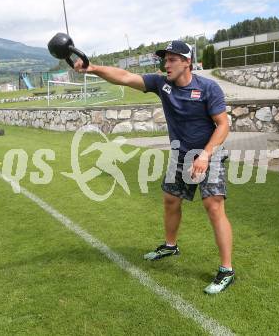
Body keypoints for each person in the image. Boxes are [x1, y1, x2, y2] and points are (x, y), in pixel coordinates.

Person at [74, 40, 234, 294]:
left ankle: (226, 270)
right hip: (180, 154)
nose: (165, 64)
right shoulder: (163, 84)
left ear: (187, 62)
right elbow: (125, 77)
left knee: (213, 205)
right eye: (164, 59)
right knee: (171, 200)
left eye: (171, 59)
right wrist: (91, 68)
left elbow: (223, 125)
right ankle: (170, 246)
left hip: (208, 153)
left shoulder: (207, 88)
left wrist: (205, 155)